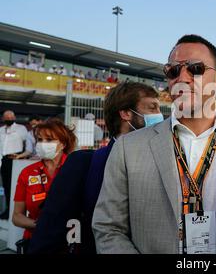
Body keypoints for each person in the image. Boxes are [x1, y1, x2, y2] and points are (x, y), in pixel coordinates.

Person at [92, 34, 216, 254]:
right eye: (173, 70)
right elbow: (108, 228)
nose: (182, 77)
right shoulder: (128, 148)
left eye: (196, 68)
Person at [28, 82, 163, 254]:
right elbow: (51, 230)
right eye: (153, 108)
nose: (160, 116)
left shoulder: (163, 162)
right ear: (126, 113)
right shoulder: (84, 163)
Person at [12, 118, 76, 253]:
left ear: (63, 144)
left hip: (71, 241)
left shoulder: (75, 169)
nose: (42, 144)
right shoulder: (27, 173)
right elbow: (17, 216)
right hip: (36, 241)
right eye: (40, 140)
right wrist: (40, 224)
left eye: (49, 140)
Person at [0, 110, 28, 219]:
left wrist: (24, 156)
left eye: (11, 117)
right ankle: (8, 210)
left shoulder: (21, 129)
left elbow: (28, 142)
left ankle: (18, 210)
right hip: (5, 160)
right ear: (3, 118)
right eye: (7, 117)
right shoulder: (1, 130)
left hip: (17, 159)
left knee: (17, 186)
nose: (9, 119)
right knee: (6, 186)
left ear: (14, 117)